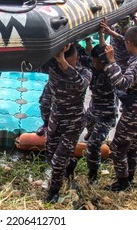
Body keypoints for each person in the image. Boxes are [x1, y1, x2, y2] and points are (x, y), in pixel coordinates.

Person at [102, 26, 137, 191]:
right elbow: (130, 39)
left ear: (129, 43)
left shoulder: (136, 65)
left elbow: (123, 84)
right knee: (133, 148)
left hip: (134, 115)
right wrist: (112, 33)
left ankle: (122, 182)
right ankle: (130, 177)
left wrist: (111, 62)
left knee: (118, 149)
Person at [43, 43, 92, 203]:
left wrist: (63, 62)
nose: (62, 63)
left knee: (57, 162)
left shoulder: (85, 73)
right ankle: (70, 163)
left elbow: (80, 84)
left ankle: (53, 192)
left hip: (73, 123)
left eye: (66, 60)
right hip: (56, 120)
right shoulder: (54, 67)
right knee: (51, 156)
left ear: (76, 59)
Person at [84, 31, 115, 185]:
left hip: (106, 114)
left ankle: (93, 174)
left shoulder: (111, 72)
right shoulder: (95, 66)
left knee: (94, 144)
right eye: (94, 62)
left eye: (98, 63)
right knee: (85, 127)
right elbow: (91, 51)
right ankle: (91, 131)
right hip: (93, 110)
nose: (95, 65)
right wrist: (97, 34)